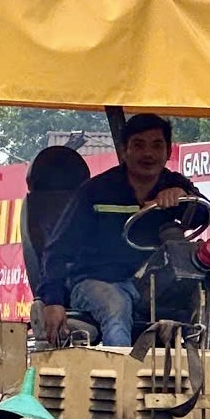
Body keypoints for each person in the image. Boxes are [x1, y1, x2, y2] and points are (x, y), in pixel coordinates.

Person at [35, 113, 198, 348]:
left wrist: (184, 198)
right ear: (124, 151)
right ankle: (122, 379)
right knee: (116, 306)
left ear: (168, 151)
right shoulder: (95, 191)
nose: (148, 154)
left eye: (156, 145)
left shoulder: (175, 184)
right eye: (139, 145)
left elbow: (203, 212)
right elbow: (56, 251)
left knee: (197, 303)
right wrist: (53, 301)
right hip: (95, 281)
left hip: (152, 284)